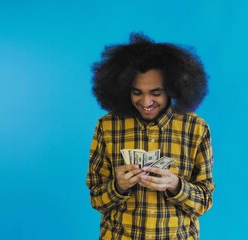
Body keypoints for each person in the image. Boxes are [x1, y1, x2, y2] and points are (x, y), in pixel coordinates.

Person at [86, 32, 214, 240]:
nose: (146, 102)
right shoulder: (107, 126)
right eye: (137, 92)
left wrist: (176, 185)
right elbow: (96, 199)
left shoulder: (196, 129)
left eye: (155, 93)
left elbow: (204, 202)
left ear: (172, 89)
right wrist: (118, 186)